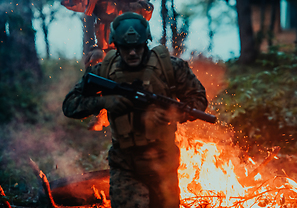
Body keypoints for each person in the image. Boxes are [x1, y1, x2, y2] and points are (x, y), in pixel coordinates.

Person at [62, 12, 208, 208]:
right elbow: (70, 105)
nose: (132, 53)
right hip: (125, 164)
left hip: (163, 162)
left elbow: (199, 99)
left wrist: (176, 114)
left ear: (145, 43)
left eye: (137, 47)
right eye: (126, 47)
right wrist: (105, 102)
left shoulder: (170, 67)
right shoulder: (105, 71)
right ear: (116, 45)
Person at [61, 0, 154, 68]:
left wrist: (122, 6)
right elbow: (77, 5)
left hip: (130, 47)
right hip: (104, 49)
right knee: (94, 60)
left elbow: (147, 10)